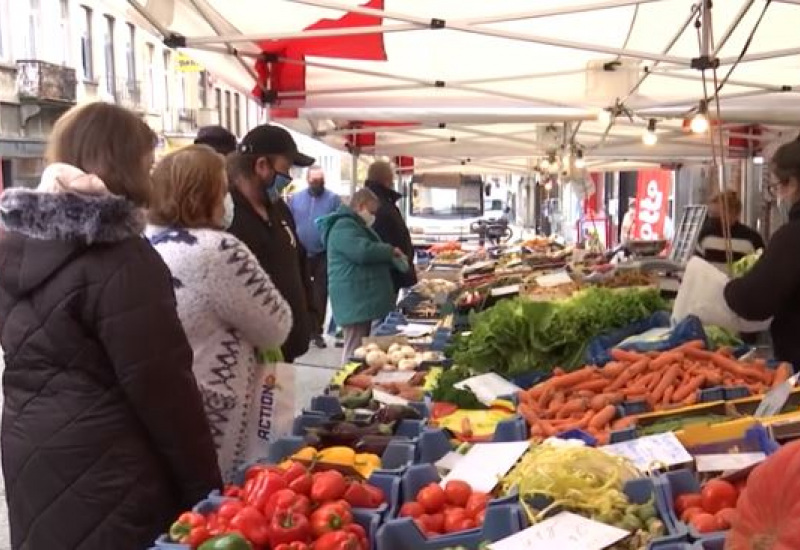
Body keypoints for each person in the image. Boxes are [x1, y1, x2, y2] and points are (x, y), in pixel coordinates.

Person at [0, 102, 221, 550]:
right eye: (147, 159)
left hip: (32, 450)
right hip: (111, 463)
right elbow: (164, 389)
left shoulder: (16, 246)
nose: (152, 170)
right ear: (124, 162)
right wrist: (207, 492)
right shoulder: (122, 258)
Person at [146, 145, 293, 480]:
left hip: (164, 404)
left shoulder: (147, 240)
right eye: (222, 189)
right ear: (205, 193)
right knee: (217, 503)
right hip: (217, 409)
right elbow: (276, 325)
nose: (227, 198)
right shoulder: (218, 251)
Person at [226, 124, 316, 362]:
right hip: (251, 356)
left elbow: (298, 261)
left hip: (287, 350)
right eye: (286, 169)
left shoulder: (279, 209)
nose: (289, 178)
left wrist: (310, 315)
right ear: (262, 166)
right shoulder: (227, 215)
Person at [725, 139, 800, 366]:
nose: (778, 195)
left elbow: (753, 301)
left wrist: (728, 287)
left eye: (777, 187)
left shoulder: (792, 237)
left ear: (794, 183)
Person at [317, 188, 410, 360]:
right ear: (361, 206)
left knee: (362, 347)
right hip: (353, 299)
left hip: (359, 299)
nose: (373, 216)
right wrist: (389, 250)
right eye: (372, 211)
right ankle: (346, 382)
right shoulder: (343, 226)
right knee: (355, 348)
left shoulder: (354, 225)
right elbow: (362, 252)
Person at [289, 166, 342, 348]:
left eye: (319, 181)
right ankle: (301, 328)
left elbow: (339, 224)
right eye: (313, 181)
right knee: (300, 290)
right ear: (307, 180)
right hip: (300, 251)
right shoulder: (295, 199)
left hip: (323, 253)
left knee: (320, 292)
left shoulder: (333, 200)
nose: (316, 184)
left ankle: (316, 331)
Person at [365, 161, 417, 296]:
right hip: (389, 280)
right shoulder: (382, 207)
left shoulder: (374, 203)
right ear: (387, 180)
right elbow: (392, 244)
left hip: (386, 278)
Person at [697, 190, 765, 273]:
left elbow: (760, 269)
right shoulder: (703, 234)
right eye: (712, 214)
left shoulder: (752, 239)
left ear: (734, 213)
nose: (714, 219)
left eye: (718, 214)